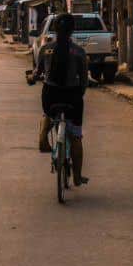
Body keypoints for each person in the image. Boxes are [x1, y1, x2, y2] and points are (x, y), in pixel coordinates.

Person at [34, 13, 88, 186]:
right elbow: (84, 80)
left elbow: (38, 72)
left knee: (47, 113)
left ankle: (43, 134)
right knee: (76, 137)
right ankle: (78, 177)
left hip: (50, 95)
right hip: (72, 96)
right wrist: (80, 94)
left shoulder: (45, 49)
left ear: (55, 29)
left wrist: (32, 77)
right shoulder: (79, 52)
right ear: (72, 30)